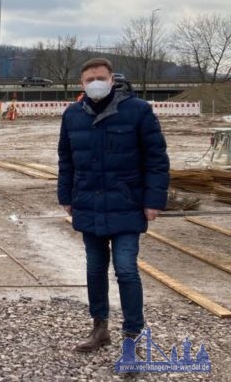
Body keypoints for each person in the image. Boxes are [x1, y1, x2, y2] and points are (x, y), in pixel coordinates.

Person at [58, 58, 169, 353]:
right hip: (89, 204)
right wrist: (65, 197)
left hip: (127, 204)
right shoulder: (72, 116)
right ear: (82, 85)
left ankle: (132, 335)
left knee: (126, 269)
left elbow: (156, 160)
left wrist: (154, 200)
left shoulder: (138, 112)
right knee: (95, 269)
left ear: (111, 80)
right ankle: (100, 328)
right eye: (89, 79)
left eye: (100, 77)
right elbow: (66, 160)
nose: (95, 82)